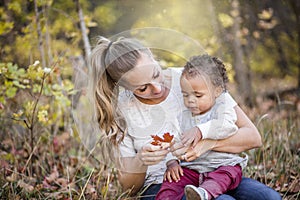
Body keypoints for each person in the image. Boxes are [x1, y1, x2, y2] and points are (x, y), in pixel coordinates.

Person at [88, 36, 282, 200]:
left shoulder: (192, 79)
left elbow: (252, 137)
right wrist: (141, 160)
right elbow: (129, 189)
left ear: (151, 54)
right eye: (143, 88)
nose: (157, 88)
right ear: (123, 86)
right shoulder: (122, 110)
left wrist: (207, 144)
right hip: (163, 184)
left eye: (156, 74)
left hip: (216, 169)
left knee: (270, 198)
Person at [156, 55, 248, 200]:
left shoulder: (222, 106)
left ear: (217, 91)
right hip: (192, 168)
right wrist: (171, 161)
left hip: (222, 165)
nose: (190, 100)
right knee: (171, 182)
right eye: (185, 95)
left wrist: (200, 130)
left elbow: (227, 126)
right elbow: (172, 139)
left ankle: (203, 194)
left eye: (198, 95)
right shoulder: (183, 115)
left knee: (223, 177)